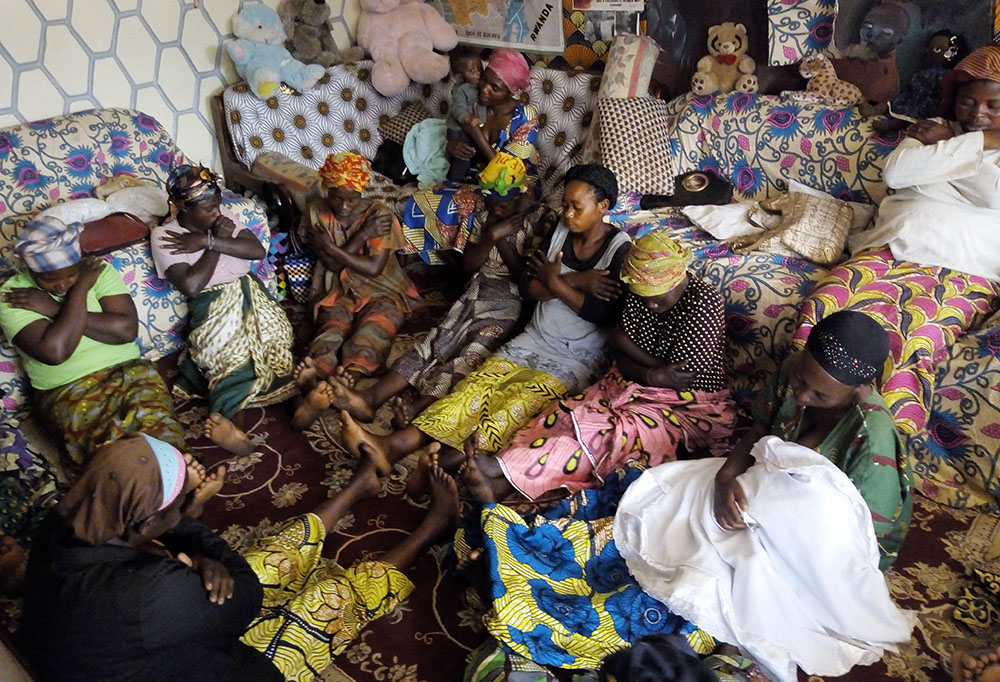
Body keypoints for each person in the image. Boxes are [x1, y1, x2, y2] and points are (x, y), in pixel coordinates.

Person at [21, 432, 460, 682]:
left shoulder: (63, 523)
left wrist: (181, 536)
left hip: (139, 645)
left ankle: (356, 488)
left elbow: (166, 551)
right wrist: (197, 541)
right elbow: (245, 596)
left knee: (259, 563)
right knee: (323, 605)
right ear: (144, 523)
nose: (185, 507)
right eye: (179, 503)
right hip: (209, 663)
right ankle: (430, 529)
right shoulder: (144, 594)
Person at [340, 163, 631, 477]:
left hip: (575, 357)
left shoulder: (618, 249)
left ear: (603, 207)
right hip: (533, 338)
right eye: (566, 205)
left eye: (577, 207)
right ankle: (392, 446)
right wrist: (577, 282)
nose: (569, 213)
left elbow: (603, 314)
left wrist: (556, 282)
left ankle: (436, 467)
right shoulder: (561, 230)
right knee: (473, 390)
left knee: (511, 408)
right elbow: (529, 287)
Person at [462, 231, 737, 502]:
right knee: (568, 415)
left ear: (678, 279)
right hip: (634, 382)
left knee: (610, 436)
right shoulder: (641, 292)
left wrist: (638, 359)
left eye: (659, 298)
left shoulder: (704, 304)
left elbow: (679, 378)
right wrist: (652, 371)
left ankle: (502, 472)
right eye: (645, 297)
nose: (651, 305)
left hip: (688, 404)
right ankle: (506, 475)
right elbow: (623, 346)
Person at [325, 152, 556, 428]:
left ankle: (418, 409)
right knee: (438, 339)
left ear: (519, 194)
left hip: (513, 300)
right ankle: (372, 397)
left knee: (474, 348)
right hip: (479, 286)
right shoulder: (487, 212)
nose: (494, 211)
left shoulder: (541, 220)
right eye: (491, 205)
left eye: (502, 208)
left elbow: (524, 280)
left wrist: (501, 238)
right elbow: (469, 266)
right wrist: (491, 233)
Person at [714, 310, 912, 569]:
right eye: (800, 380)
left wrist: (776, 534)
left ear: (857, 390)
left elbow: (865, 538)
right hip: (777, 496)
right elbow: (759, 429)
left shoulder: (873, 441)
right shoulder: (795, 368)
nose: (803, 396)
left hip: (835, 543)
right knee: (688, 511)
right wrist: (725, 478)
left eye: (820, 396)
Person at [0, 215, 185, 467]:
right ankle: (164, 491)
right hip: (66, 389)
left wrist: (60, 305)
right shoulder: (13, 294)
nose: (62, 284)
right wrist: (80, 290)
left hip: (128, 371)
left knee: (156, 424)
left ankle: (180, 479)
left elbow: (126, 330)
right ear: (31, 270)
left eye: (70, 276)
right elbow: (56, 351)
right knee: (108, 449)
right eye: (49, 280)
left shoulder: (95, 271)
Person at [152, 164, 295, 456]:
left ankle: (303, 407)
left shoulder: (221, 221)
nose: (217, 213)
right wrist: (217, 246)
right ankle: (230, 426)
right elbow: (191, 285)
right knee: (230, 358)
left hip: (251, 295)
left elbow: (256, 251)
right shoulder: (165, 236)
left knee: (277, 344)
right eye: (208, 209)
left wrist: (209, 240)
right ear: (184, 210)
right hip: (213, 307)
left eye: (217, 206)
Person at [292, 151, 420, 430]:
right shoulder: (316, 209)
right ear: (326, 189)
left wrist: (333, 248)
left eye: (352, 199)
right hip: (336, 287)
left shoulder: (381, 215)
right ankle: (314, 383)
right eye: (337, 197)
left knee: (374, 329)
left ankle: (348, 380)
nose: (344, 205)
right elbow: (329, 264)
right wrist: (361, 236)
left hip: (383, 290)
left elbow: (373, 268)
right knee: (331, 329)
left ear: (363, 192)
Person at [852, 44, 1000, 281]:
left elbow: (994, 197)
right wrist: (977, 144)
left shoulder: (942, 135)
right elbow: (896, 174)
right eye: (967, 102)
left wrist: (950, 145)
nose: (978, 113)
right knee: (833, 313)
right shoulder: (934, 126)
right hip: (893, 245)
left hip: (968, 266)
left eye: (994, 106)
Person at [402, 48, 540, 264]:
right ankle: (439, 261)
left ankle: (459, 265)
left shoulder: (525, 117)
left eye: (494, 88)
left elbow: (507, 169)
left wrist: (475, 133)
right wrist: (454, 146)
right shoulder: (471, 99)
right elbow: (454, 131)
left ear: (511, 91)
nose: (484, 89)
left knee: (466, 205)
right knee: (421, 198)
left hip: (513, 183)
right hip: (475, 175)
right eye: (484, 79)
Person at [446, 45, 486, 182]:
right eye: (472, 71)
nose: (479, 73)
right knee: (463, 156)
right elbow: (457, 109)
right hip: (458, 130)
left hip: (471, 128)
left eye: (480, 69)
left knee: (476, 152)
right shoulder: (462, 90)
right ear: (459, 77)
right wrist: (467, 118)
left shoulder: (479, 85)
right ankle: (454, 181)